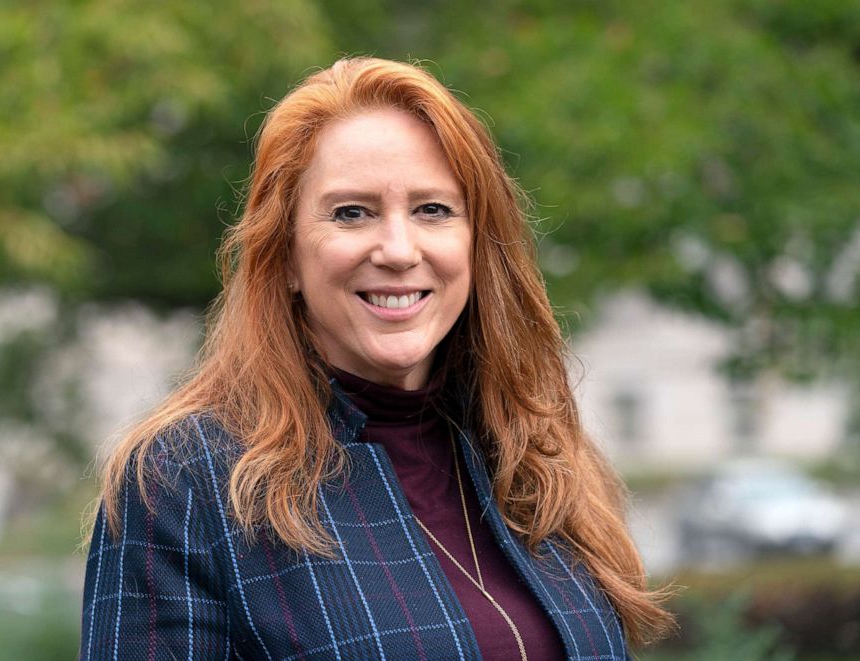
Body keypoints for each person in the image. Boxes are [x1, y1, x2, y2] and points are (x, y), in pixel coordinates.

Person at [80, 57, 673, 660]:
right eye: (351, 213)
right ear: (284, 255)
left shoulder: (536, 447)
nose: (397, 249)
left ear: (477, 243)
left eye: (432, 210)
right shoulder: (186, 477)